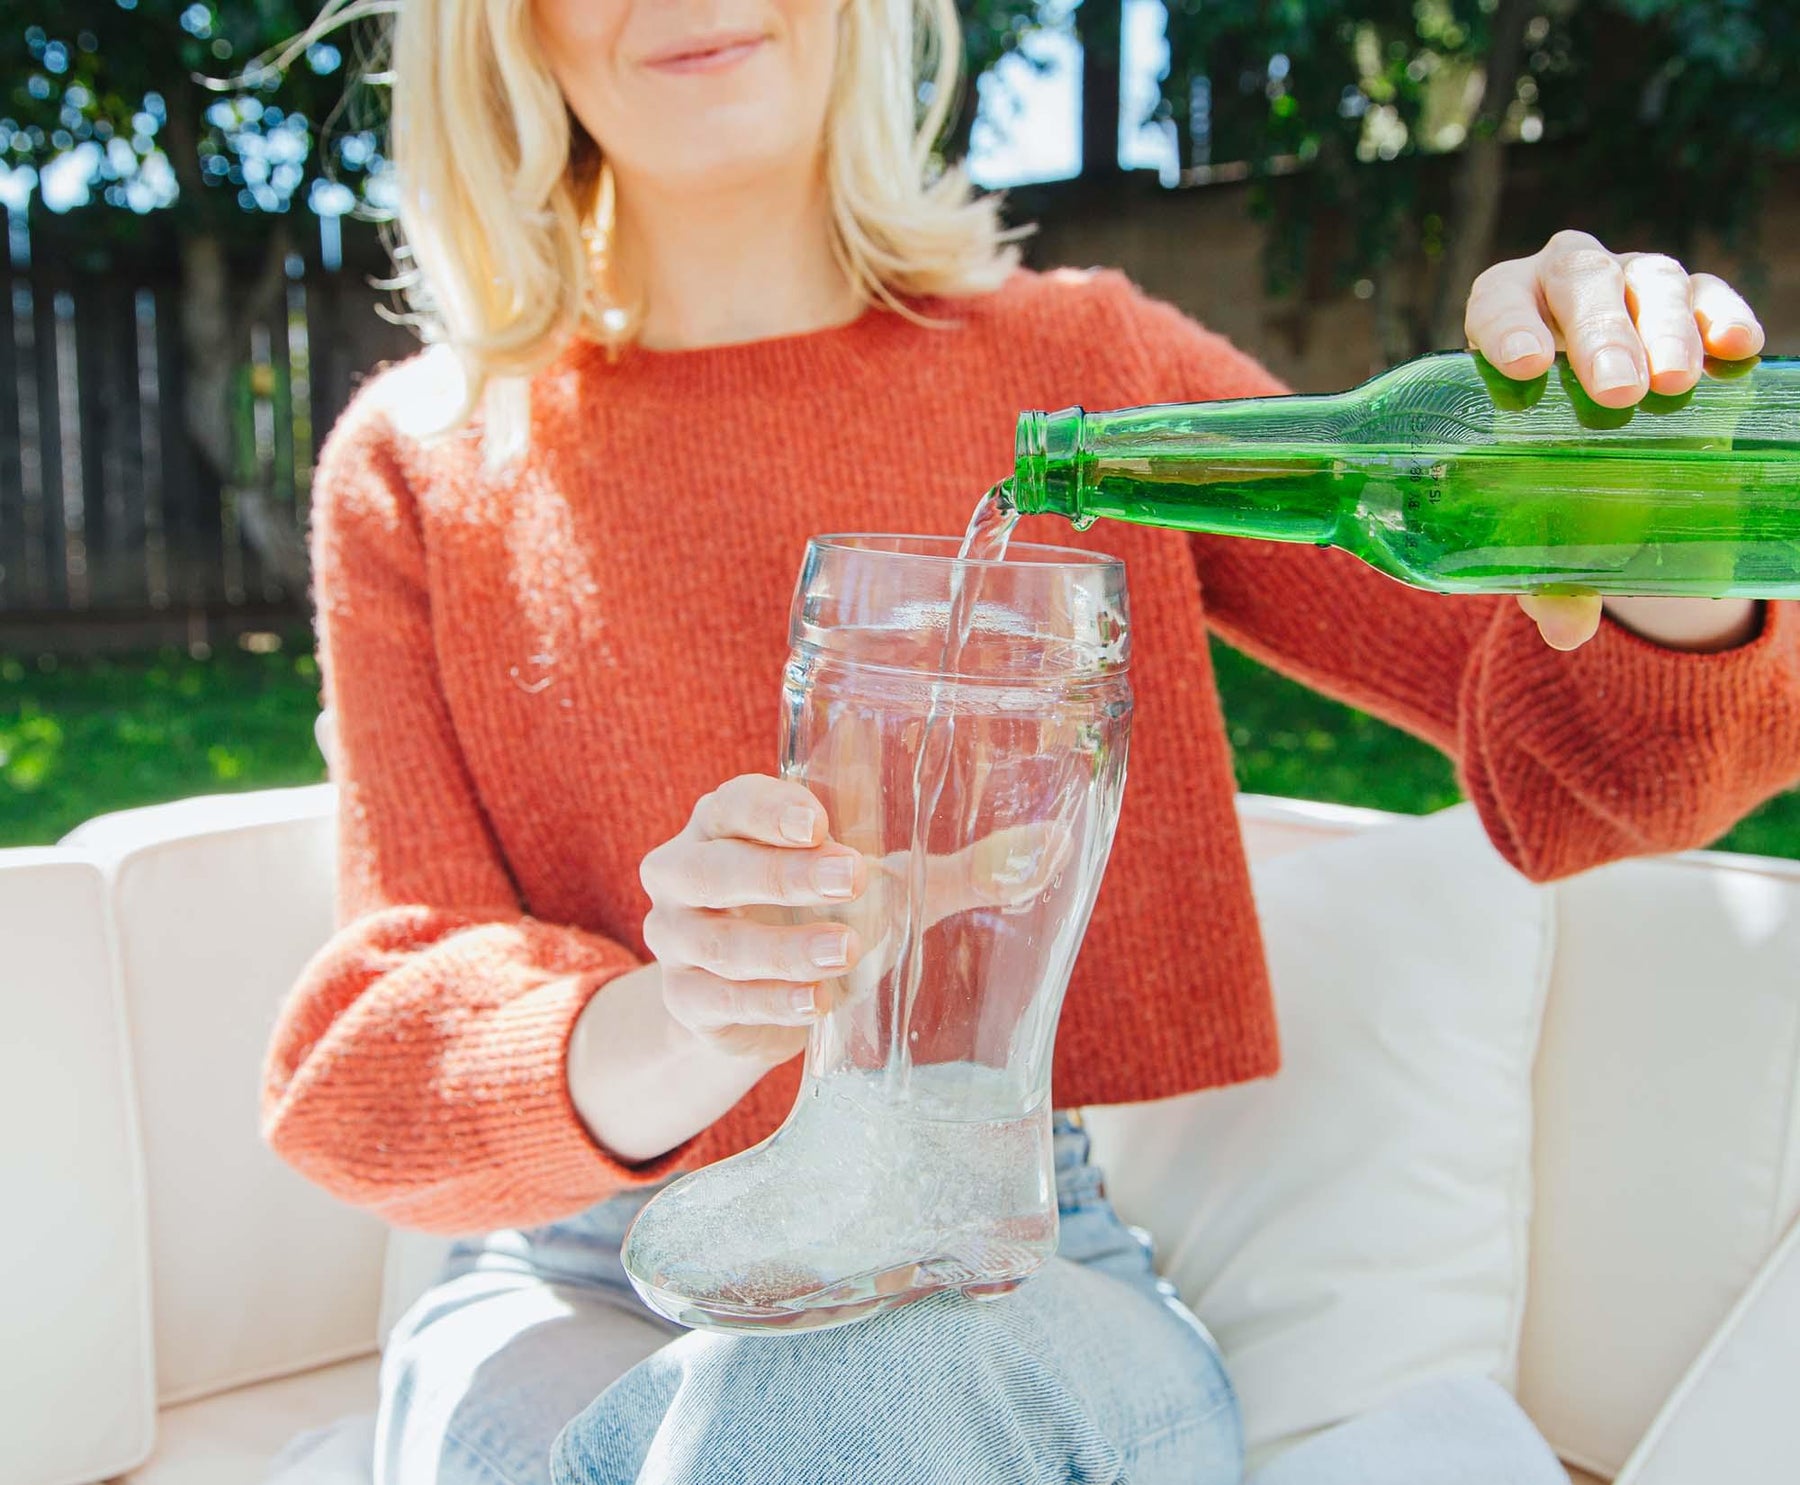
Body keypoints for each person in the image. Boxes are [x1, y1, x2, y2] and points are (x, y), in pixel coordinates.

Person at [262, 0, 1799, 1480]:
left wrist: (1656, 532)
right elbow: (368, 1061)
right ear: (504, 20)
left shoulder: (1087, 371)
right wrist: (697, 1015)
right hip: (573, 1284)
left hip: (1000, 1265)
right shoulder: (423, 461)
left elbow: (1602, 774)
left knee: (828, 1391)